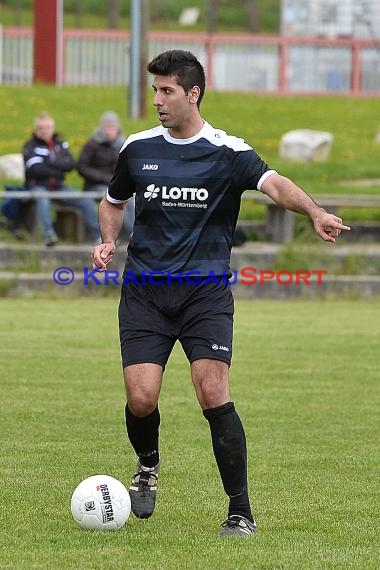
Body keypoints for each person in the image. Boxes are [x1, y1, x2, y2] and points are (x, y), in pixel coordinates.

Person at [91, 50, 350, 537]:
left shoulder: (227, 151)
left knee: (213, 392)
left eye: (167, 91)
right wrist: (108, 240)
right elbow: (112, 201)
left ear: (193, 93)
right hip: (145, 293)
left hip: (204, 295)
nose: (158, 101)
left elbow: (274, 184)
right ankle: (147, 465)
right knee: (142, 398)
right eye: (155, 91)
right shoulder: (139, 146)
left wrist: (314, 211)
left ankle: (240, 510)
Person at [23, 112, 100, 246]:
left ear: (52, 128)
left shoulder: (61, 144)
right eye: (41, 128)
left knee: (86, 200)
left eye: (47, 128)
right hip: (38, 186)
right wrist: (58, 169)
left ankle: (98, 237)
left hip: (59, 186)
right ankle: (49, 235)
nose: (44, 131)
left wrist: (49, 162)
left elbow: (70, 164)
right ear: (36, 129)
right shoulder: (30, 146)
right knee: (43, 199)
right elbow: (35, 169)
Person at [77, 111, 135, 241]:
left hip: (116, 183)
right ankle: (111, 236)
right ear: (101, 128)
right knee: (114, 196)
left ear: (117, 128)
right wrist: (102, 177)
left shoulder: (122, 145)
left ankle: (131, 233)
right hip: (95, 185)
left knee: (132, 200)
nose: (109, 130)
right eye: (106, 127)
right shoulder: (92, 144)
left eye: (112, 127)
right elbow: (82, 167)